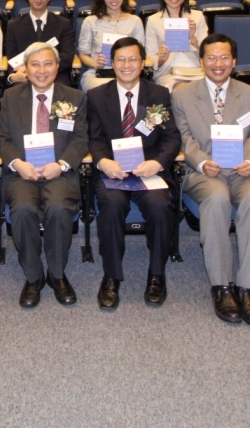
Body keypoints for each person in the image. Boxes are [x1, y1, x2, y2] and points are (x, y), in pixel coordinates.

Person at [171, 33, 250, 326]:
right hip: (204, 172)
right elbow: (184, 137)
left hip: (243, 170)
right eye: (211, 58)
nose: (218, 64)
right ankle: (222, 286)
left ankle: (248, 287)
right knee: (217, 199)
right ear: (201, 61)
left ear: (234, 61)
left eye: (224, 57)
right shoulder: (181, 94)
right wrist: (201, 161)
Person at [86, 36, 180, 310]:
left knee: (161, 206)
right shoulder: (96, 96)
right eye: (120, 60)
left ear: (143, 63)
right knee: (112, 205)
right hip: (112, 170)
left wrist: (158, 163)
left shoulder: (159, 95)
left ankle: (156, 274)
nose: (126, 65)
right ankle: (112, 275)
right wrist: (103, 161)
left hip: (148, 169)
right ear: (112, 64)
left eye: (133, 59)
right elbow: (94, 138)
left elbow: (172, 138)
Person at [0, 41, 88, 308]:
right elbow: (2, 138)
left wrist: (60, 165)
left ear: (57, 67)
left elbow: (81, 140)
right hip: (21, 172)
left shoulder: (74, 97)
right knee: (23, 210)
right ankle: (33, 276)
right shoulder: (11, 97)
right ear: (25, 69)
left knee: (59, 209)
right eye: (34, 64)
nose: (41, 70)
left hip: (59, 171)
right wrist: (16, 163)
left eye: (48, 63)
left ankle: (57, 274)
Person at [3, 0, 76, 91]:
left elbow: (67, 57)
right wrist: (31, 72)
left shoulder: (63, 24)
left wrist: (46, 71)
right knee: (13, 94)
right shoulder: (14, 26)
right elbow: (12, 57)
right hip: (26, 77)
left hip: (56, 77)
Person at [77, 0, 145, 91]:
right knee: (105, 91)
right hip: (98, 74)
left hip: (127, 73)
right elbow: (83, 54)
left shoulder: (135, 21)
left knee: (126, 88)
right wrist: (95, 64)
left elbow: (141, 53)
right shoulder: (91, 21)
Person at [144, 0, 208, 90]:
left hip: (197, 70)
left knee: (206, 89)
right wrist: (161, 58)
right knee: (182, 89)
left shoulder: (197, 17)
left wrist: (192, 38)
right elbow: (150, 57)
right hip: (168, 72)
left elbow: (207, 52)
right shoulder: (153, 21)